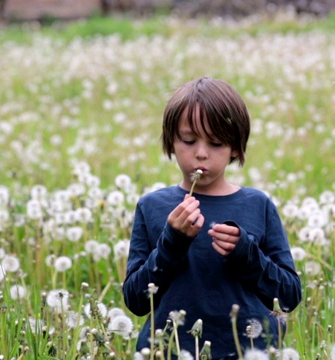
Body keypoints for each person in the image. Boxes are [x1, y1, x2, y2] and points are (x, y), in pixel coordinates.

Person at [123, 77, 302, 359]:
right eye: (189, 140)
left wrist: (246, 252)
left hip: (249, 350)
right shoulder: (152, 207)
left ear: (235, 147)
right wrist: (172, 242)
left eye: (216, 142)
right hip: (169, 350)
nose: (201, 153)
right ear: (171, 140)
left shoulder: (258, 205)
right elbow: (135, 300)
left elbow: (289, 296)